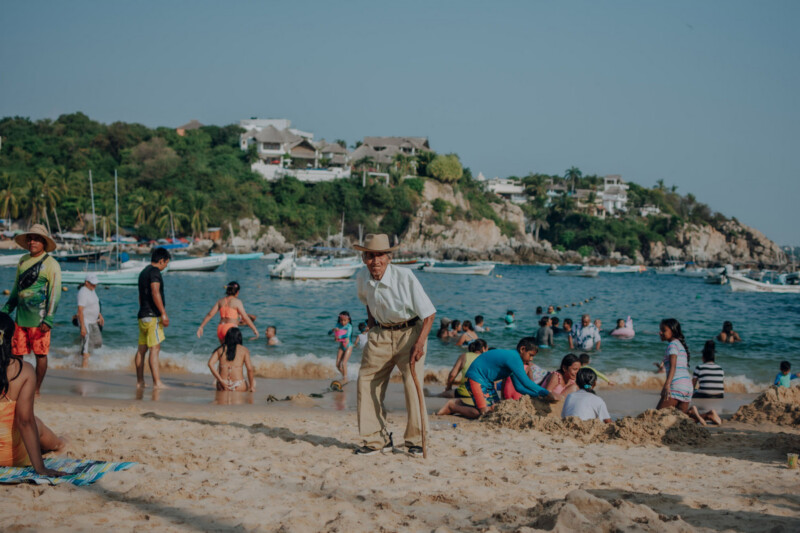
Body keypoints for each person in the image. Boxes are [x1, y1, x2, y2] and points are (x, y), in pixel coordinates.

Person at [353, 234, 436, 457]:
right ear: (364, 258)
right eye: (370, 256)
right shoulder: (362, 276)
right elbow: (367, 302)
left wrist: (419, 344)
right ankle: (376, 440)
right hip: (380, 334)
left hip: (410, 334)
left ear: (389, 257)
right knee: (366, 381)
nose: (375, 261)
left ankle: (416, 440)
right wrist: (371, 326)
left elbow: (429, 314)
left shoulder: (405, 277)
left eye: (380, 255)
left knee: (412, 384)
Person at [0, 312, 66, 474]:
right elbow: (24, 422)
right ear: (13, 340)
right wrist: (40, 468)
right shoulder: (23, 370)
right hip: (11, 457)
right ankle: (59, 444)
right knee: (35, 423)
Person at [1, 224, 62, 395]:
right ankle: (16, 385)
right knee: (16, 354)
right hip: (20, 319)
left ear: (43, 242)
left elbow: (55, 293)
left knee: (40, 355)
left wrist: (49, 319)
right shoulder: (23, 260)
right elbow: (16, 289)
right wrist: (6, 310)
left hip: (40, 320)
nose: (32, 241)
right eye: (30, 238)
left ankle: (36, 388)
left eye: (36, 239)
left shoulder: (51, 264)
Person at [462, 337, 562, 417]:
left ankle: (460, 404)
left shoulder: (514, 361)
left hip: (487, 382)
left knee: (496, 409)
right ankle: (454, 406)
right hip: (476, 378)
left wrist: (537, 395)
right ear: (522, 349)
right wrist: (546, 393)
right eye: (530, 355)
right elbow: (526, 382)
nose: (531, 359)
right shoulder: (514, 358)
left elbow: (519, 387)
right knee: (483, 412)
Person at [657, 318, 722, 426]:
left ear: (672, 331)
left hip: (676, 386)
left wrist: (667, 385)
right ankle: (707, 415)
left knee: (657, 417)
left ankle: (693, 411)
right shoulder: (681, 346)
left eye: (663, 330)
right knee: (682, 422)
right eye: (660, 330)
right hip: (687, 387)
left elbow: (673, 366)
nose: (660, 332)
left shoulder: (672, 345)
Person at [135, 247, 171, 389]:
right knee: (154, 349)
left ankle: (140, 382)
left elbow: (140, 296)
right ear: (161, 260)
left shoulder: (143, 272)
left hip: (142, 315)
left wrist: (145, 309)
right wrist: (163, 313)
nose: (166, 265)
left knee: (141, 350)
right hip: (153, 317)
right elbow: (155, 292)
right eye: (166, 262)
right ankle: (157, 383)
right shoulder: (155, 272)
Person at [438, 339, 488, 408]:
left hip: (464, 392)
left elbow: (452, 374)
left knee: (439, 395)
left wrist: (448, 388)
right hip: (482, 395)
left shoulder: (464, 356)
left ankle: (429, 395)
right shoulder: (487, 359)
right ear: (483, 348)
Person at [207, 328, 254, 392]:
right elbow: (250, 369)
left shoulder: (220, 349)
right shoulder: (244, 350)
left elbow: (210, 364)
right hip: (239, 384)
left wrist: (220, 380)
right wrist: (251, 386)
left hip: (222, 385)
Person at [76, 273, 104, 368]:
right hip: (86, 322)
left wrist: (100, 315)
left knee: (98, 342)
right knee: (87, 347)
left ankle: (79, 355)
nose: (95, 285)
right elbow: (80, 310)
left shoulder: (92, 290)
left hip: (94, 321)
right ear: (86, 282)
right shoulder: (83, 292)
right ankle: (84, 369)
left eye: (95, 283)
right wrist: (83, 327)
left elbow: (95, 304)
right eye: (93, 284)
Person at [330, 311, 354, 380]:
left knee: (343, 363)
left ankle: (345, 378)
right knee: (337, 364)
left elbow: (347, 335)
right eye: (341, 320)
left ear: (348, 320)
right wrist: (333, 330)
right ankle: (345, 375)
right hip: (341, 346)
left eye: (345, 320)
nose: (343, 322)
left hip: (348, 346)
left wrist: (339, 336)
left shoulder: (349, 326)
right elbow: (331, 333)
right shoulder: (338, 325)